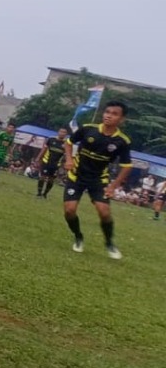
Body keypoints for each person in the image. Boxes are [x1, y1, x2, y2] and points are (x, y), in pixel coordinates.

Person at [62, 100, 132, 259]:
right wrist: (69, 159)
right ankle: (78, 236)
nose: (109, 116)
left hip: (98, 179)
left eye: (114, 114)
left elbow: (127, 166)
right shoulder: (88, 129)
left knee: (104, 212)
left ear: (121, 119)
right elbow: (68, 143)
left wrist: (113, 186)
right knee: (69, 211)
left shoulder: (122, 141)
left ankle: (109, 243)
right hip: (76, 176)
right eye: (107, 112)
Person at [35, 127, 68, 199]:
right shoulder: (51, 139)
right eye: (61, 131)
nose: (62, 133)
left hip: (56, 164)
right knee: (42, 177)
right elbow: (44, 149)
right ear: (58, 132)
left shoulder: (66, 143)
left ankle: (45, 194)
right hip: (46, 161)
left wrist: (65, 164)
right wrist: (38, 158)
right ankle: (39, 193)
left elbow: (67, 155)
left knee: (51, 179)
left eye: (64, 132)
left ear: (66, 134)